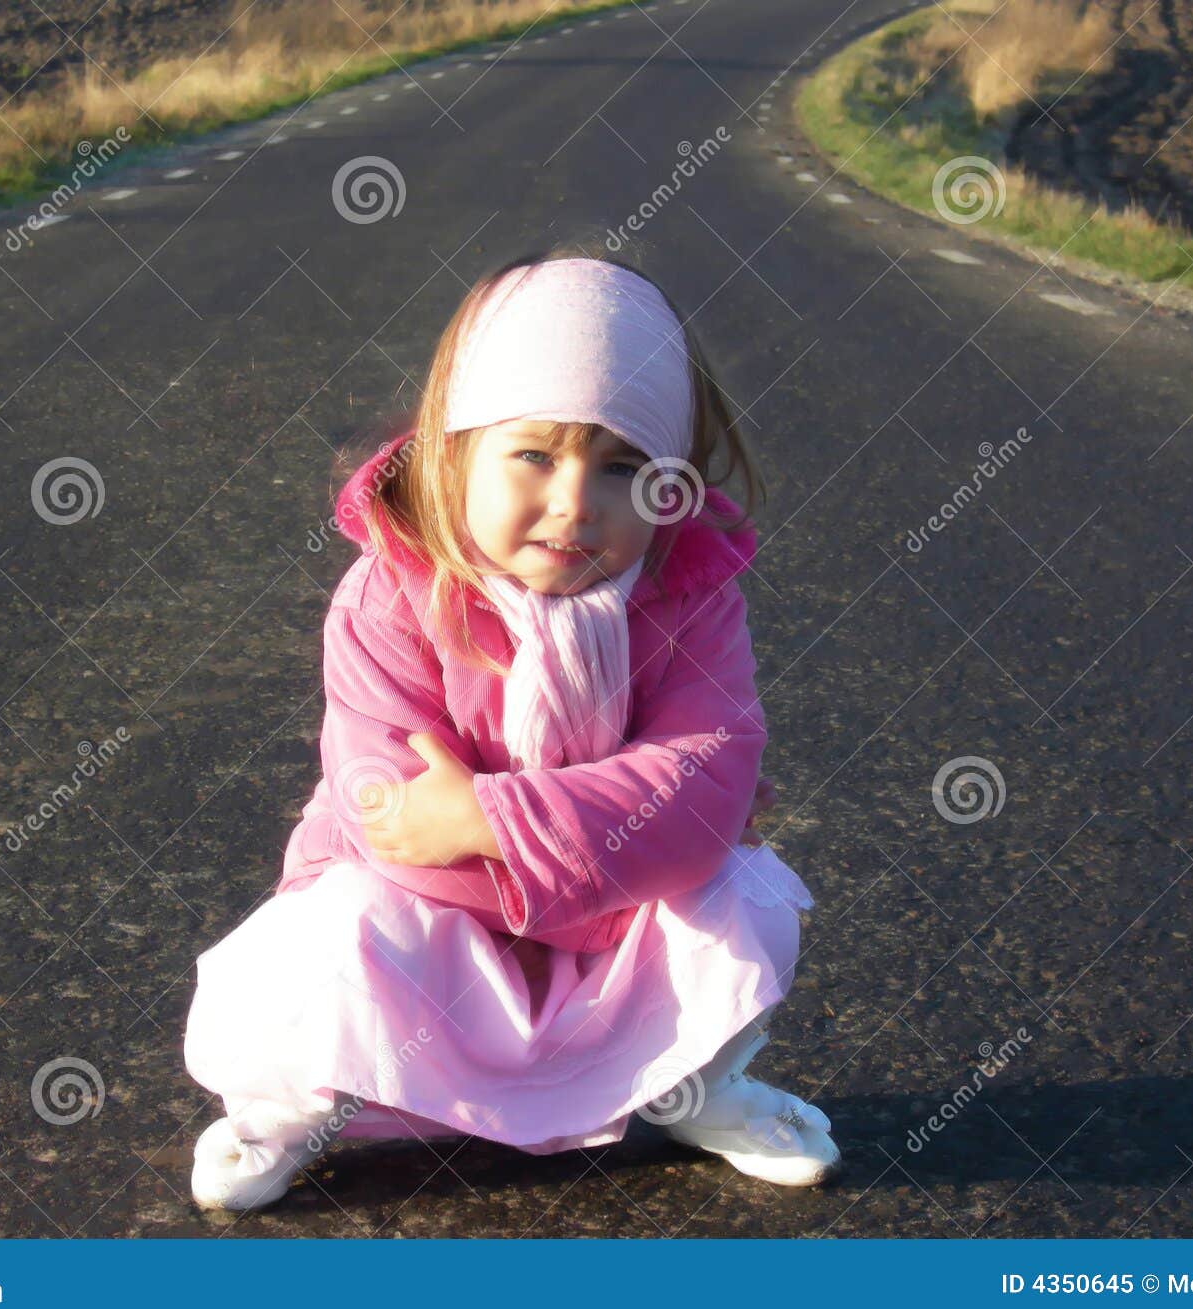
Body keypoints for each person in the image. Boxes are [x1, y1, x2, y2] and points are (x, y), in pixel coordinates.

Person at [182, 247, 842, 1211]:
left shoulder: (689, 597)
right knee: (329, 938)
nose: (575, 502)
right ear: (452, 453)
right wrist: (609, 844)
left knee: (745, 898)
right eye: (533, 454)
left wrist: (492, 818)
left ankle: (690, 1083)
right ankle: (289, 1109)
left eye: (624, 467)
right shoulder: (391, 594)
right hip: (438, 913)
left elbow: (707, 780)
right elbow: (389, 817)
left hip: (595, 905)